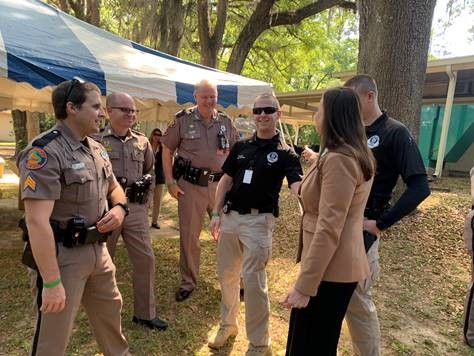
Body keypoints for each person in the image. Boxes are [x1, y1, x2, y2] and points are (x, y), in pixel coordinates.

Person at [17, 79, 130, 355]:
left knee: (111, 323)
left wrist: (119, 209)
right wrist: (52, 282)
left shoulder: (96, 148)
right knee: (52, 338)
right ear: (71, 108)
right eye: (95, 107)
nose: (102, 113)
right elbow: (36, 221)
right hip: (62, 257)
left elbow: (115, 188)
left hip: (98, 253)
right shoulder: (44, 152)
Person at [208, 93, 303, 355]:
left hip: (259, 222)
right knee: (227, 276)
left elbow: (298, 188)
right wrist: (216, 214)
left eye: (268, 110)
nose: (262, 115)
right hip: (230, 219)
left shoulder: (286, 154)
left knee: (253, 282)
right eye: (258, 110)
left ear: (278, 115)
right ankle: (228, 325)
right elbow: (225, 181)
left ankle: (260, 344)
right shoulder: (241, 147)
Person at [282, 87, 375, 355]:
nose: (315, 115)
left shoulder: (340, 159)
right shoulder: (343, 154)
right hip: (328, 266)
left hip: (329, 270)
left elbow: (329, 227)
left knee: (311, 345)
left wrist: (305, 286)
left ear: (333, 116)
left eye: (320, 109)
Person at [343, 74, 431, 355]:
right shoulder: (351, 132)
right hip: (338, 227)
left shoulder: (395, 132)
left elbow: (419, 187)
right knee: (338, 300)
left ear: (370, 96)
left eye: (353, 101)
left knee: (357, 300)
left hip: (364, 230)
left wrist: (380, 224)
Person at [161, 79, 239, 302]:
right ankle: (188, 282)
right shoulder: (182, 120)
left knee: (228, 235)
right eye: (204, 96)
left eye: (212, 96)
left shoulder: (225, 121)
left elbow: (236, 151)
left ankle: (235, 281)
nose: (209, 100)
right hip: (191, 186)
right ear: (195, 96)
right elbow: (167, 150)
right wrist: (170, 182)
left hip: (220, 186)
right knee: (189, 237)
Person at [95, 92, 168, 330]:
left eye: (133, 110)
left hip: (135, 210)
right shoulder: (95, 140)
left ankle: (144, 314)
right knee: (104, 263)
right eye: (125, 110)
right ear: (109, 111)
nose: (131, 114)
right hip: (107, 210)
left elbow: (151, 172)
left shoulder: (142, 141)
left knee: (146, 259)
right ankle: (105, 314)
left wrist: (144, 204)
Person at [149, 128, 165, 229]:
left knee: (157, 201)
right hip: (148, 177)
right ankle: (142, 221)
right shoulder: (147, 145)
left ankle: (154, 221)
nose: (157, 136)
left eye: (159, 135)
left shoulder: (162, 148)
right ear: (152, 134)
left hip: (159, 177)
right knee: (146, 201)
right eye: (155, 134)